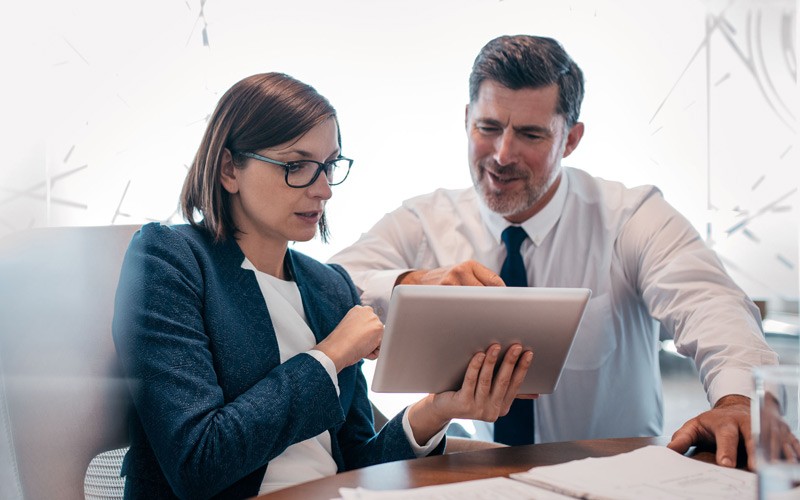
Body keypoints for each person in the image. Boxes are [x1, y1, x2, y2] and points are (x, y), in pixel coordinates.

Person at [329, 35, 778, 469]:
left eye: (530, 134)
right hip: (480, 477)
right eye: (488, 128)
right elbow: (324, 287)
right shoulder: (424, 221)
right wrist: (411, 283)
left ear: (571, 139)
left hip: (617, 480)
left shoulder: (630, 217)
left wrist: (737, 400)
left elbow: (711, 303)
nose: (503, 154)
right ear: (467, 119)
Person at [111, 72, 533, 499]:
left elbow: (358, 466)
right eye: (296, 166)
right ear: (228, 169)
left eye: (329, 165)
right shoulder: (171, 259)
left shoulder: (329, 287)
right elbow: (197, 462)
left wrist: (437, 409)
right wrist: (330, 356)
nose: (324, 190)